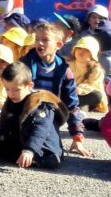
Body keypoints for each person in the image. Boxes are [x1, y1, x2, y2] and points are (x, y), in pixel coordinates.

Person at [0, 62, 66, 170]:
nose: (11, 94)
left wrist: (29, 150)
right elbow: (3, 128)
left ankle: (34, 158)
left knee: (48, 159)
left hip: (44, 148)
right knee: (0, 140)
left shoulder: (40, 103)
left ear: (29, 86)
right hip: (22, 142)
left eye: (16, 90)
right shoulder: (11, 101)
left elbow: (40, 130)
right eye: (7, 89)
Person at [21, 20, 89, 157]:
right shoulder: (25, 64)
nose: (39, 43)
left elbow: (72, 104)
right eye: (37, 39)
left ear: (58, 45)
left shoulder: (64, 71)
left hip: (50, 115)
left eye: (45, 40)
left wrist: (77, 137)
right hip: (25, 112)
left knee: (53, 157)